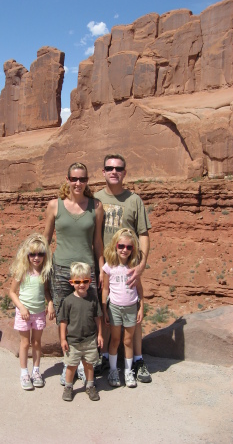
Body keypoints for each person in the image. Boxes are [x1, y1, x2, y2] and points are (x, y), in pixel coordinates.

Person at [44, 162, 104, 385]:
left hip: (87, 270)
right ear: (67, 180)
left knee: (87, 317)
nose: (78, 183)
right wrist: (40, 269)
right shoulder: (54, 206)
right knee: (65, 318)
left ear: (87, 181)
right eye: (74, 179)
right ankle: (69, 364)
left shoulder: (95, 206)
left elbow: (97, 242)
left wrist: (102, 270)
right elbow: (46, 240)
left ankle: (82, 365)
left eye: (83, 179)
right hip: (60, 270)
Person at [95, 153, 152, 383]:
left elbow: (144, 233)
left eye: (118, 168)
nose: (114, 171)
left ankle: (137, 360)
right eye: (109, 168)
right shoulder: (96, 198)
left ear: (125, 172)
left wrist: (142, 264)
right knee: (106, 310)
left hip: (129, 267)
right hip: (105, 266)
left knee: (132, 311)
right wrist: (99, 266)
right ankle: (106, 358)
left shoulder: (134, 200)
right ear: (103, 171)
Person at [9, 233, 55, 390]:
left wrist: (50, 303)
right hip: (24, 313)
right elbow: (12, 292)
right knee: (25, 343)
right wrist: (21, 307)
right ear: (27, 255)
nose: (36, 258)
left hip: (39, 313)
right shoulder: (22, 271)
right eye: (32, 254)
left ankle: (36, 371)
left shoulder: (44, 272)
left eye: (40, 254)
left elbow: (46, 291)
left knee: (36, 342)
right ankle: (24, 373)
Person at [102, 229, 144, 388]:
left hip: (131, 308)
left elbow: (140, 289)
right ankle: (113, 370)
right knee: (115, 340)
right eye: (121, 246)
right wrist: (105, 309)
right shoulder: (109, 267)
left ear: (132, 249)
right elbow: (105, 289)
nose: (124, 250)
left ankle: (128, 371)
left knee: (127, 340)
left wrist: (141, 308)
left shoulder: (134, 267)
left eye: (129, 247)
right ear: (115, 246)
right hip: (114, 308)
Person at [58, 262, 103, 401]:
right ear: (72, 282)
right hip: (73, 341)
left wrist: (100, 335)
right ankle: (68, 387)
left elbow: (97, 318)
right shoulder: (68, 301)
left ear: (90, 281)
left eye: (85, 281)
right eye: (78, 281)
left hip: (90, 340)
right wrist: (63, 339)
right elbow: (63, 321)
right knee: (71, 365)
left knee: (89, 365)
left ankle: (90, 386)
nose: (81, 285)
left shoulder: (92, 300)